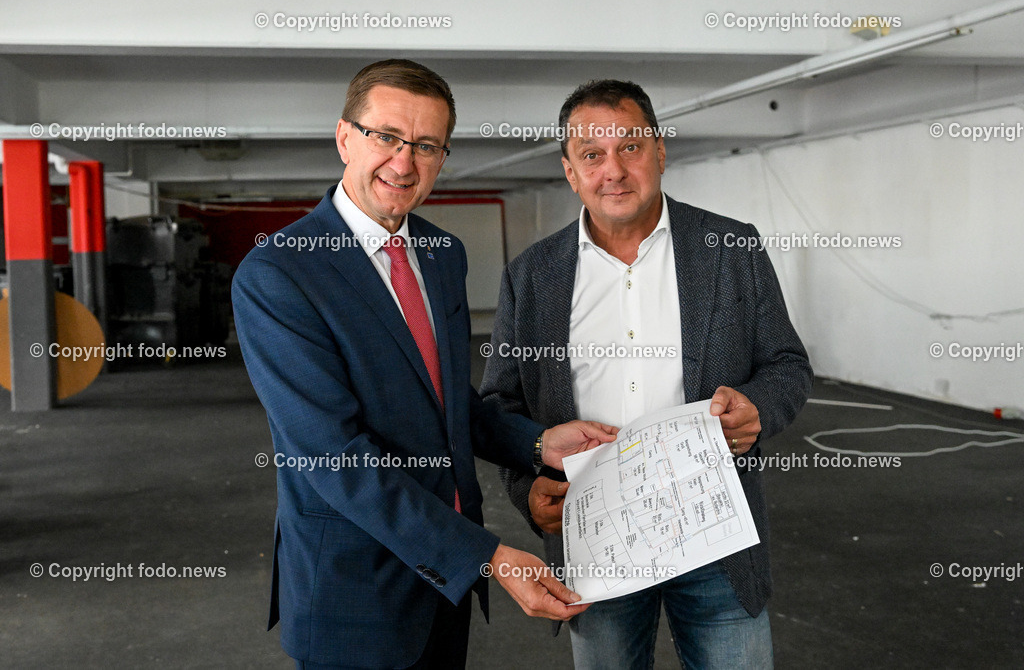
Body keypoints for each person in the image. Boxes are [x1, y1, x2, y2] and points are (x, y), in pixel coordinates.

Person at [232, 59, 616, 669]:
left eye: (427, 145)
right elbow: (335, 457)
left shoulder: (442, 254)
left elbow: (446, 401)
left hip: (444, 585)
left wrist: (540, 442)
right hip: (354, 588)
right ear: (344, 138)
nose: (404, 162)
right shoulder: (279, 273)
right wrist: (488, 557)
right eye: (386, 136)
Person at [481, 79, 813, 669]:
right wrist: (526, 493)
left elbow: (786, 364)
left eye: (630, 147)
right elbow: (501, 406)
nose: (613, 170)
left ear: (660, 151)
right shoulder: (531, 277)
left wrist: (758, 408)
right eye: (592, 154)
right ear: (570, 172)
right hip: (594, 538)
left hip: (715, 536)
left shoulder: (731, 248)